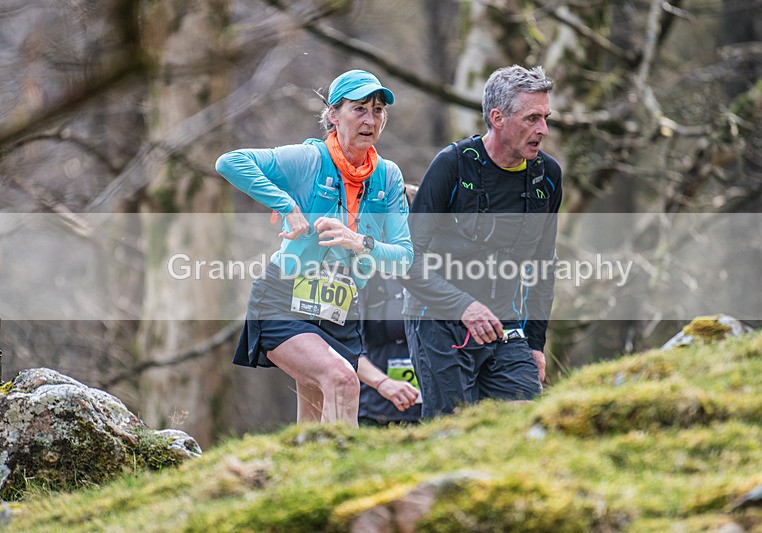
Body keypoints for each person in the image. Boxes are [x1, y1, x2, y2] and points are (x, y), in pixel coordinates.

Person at [215, 69, 413, 426]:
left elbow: (403, 256)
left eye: (379, 110)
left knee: (315, 418)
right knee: (341, 379)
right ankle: (347, 477)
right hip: (284, 299)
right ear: (334, 116)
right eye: (360, 109)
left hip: (341, 312)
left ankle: (303, 477)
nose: (371, 120)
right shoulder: (310, 160)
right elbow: (231, 162)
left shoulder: (388, 176)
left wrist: (361, 243)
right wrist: (288, 206)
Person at [401, 65, 562, 418]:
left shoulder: (548, 176)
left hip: (507, 326)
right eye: (532, 118)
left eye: (546, 118)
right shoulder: (452, 166)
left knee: (524, 423)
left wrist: (536, 342)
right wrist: (464, 306)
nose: (543, 130)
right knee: (454, 430)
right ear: (498, 117)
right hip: (439, 323)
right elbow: (406, 258)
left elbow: (543, 267)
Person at [356, 185, 422, 425]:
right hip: (375, 412)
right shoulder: (362, 275)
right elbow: (344, 348)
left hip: (437, 413)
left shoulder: (443, 273)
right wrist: (383, 383)